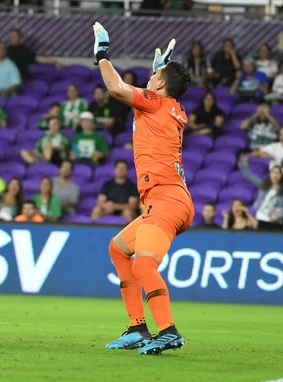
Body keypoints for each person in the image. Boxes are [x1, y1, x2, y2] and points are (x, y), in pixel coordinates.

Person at [94, 23, 194, 354]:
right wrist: (158, 74)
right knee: (119, 248)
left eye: (154, 78)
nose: (148, 80)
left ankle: (168, 330)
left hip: (166, 198)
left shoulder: (154, 102)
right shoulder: (175, 108)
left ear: (161, 84)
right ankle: (137, 327)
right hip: (171, 200)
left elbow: (115, 87)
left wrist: (102, 54)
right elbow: (157, 96)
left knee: (143, 264)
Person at [239, 155, 283, 230]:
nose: (275, 175)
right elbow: (249, 176)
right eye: (273, 172)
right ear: (270, 174)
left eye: (278, 173)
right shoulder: (264, 185)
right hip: (259, 219)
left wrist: (278, 216)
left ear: (281, 176)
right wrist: (244, 163)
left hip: (274, 221)